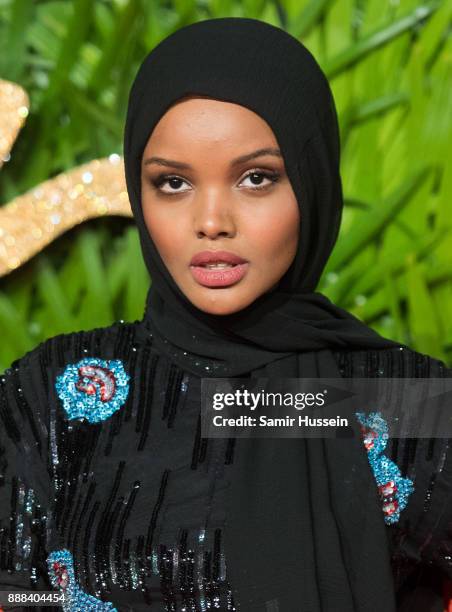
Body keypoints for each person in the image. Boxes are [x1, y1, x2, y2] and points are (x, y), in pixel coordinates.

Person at [0, 16, 451, 612]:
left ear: (312, 186)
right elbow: (15, 595)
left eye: (256, 178)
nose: (212, 221)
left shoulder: (407, 403)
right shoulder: (55, 391)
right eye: (173, 183)